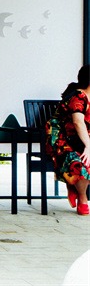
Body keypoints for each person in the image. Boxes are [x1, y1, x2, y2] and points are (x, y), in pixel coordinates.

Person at [46, 65, 90, 215]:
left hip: (82, 140)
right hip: (65, 142)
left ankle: (73, 185)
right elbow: (78, 122)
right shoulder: (78, 97)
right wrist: (88, 147)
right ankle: (83, 197)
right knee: (81, 162)